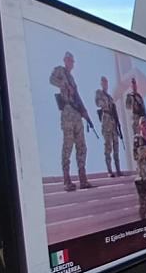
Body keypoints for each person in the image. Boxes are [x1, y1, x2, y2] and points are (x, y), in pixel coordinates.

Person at [49, 52, 95, 191]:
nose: (71, 63)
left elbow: (78, 97)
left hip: (77, 113)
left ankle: (83, 179)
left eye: (72, 61)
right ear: (65, 60)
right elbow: (51, 80)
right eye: (69, 60)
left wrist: (85, 113)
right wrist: (64, 85)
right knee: (68, 144)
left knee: (82, 146)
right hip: (68, 112)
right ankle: (67, 179)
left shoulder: (73, 79)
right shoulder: (60, 71)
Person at [95, 76, 122, 177]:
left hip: (113, 122)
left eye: (106, 82)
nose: (105, 84)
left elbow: (114, 111)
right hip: (106, 120)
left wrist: (118, 123)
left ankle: (118, 169)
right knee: (108, 146)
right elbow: (98, 103)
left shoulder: (110, 98)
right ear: (101, 83)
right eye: (104, 82)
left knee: (116, 146)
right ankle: (110, 170)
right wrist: (107, 105)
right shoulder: (99, 93)